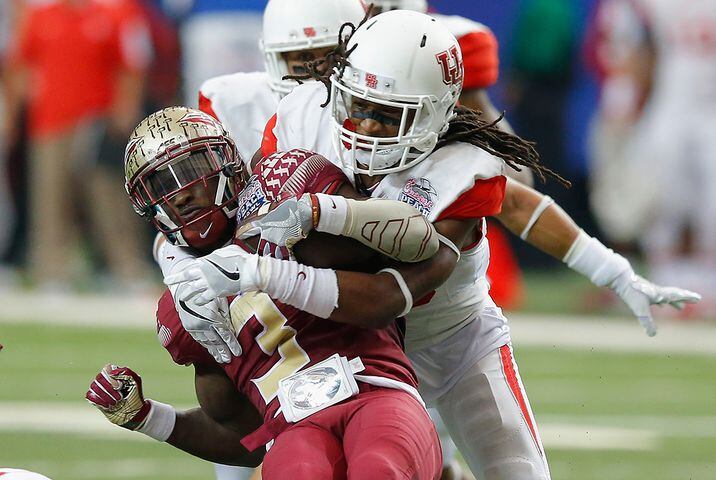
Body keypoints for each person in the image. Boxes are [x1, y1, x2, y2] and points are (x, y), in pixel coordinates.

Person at [167, 11, 701, 480]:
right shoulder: (304, 114)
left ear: (435, 113)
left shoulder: (464, 166)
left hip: (449, 335)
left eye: (386, 114)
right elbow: (246, 216)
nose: (363, 126)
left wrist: (611, 270)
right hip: (347, 341)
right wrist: (192, 270)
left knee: (518, 473)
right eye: (356, 105)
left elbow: (387, 290)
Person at [87, 106, 443, 479]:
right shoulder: (180, 307)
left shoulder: (285, 181)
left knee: (379, 471)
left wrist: (318, 212)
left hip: (376, 392)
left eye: (189, 173)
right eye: (161, 187)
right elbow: (244, 439)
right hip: (293, 429)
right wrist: (146, 417)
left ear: (225, 162)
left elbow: (408, 243)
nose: (179, 196)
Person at [4, 0, 153, 291]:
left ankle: (125, 267)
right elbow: (19, 64)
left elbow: (131, 65)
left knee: (107, 196)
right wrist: (13, 112)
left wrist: (125, 108)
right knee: (49, 197)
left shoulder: (112, 13)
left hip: (95, 120)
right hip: (49, 121)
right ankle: (51, 271)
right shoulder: (41, 16)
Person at [197, 0, 366, 164]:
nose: (320, 70)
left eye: (334, 55)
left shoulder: (377, 108)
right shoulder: (233, 103)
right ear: (278, 60)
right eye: (305, 58)